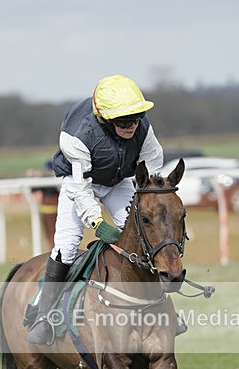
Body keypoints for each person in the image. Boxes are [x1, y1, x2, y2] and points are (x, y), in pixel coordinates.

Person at [27, 74, 163, 345]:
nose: (131, 126)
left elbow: (152, 168)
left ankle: (161, 308)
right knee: (67, 246)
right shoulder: (77, 135)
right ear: (104, 118)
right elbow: (79, 188)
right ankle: (44, 314)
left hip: (119, 181)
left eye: (135, 119)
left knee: (147, 240)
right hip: (81, 184)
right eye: (123, 122)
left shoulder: (144, 130)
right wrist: (97, 223)